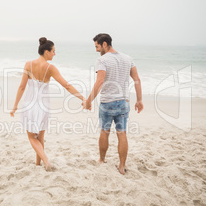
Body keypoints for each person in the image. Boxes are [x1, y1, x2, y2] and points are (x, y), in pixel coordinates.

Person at [10, 37, 86, 171]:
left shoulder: (28, 64)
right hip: (43, 105)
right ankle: (38, 164)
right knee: (40, 137)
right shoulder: (50, 68)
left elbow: (22, 87)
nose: (54, 54)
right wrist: (83, 99)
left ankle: (45, 161)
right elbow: (66, 85)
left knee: (32, 138)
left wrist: (15, 105)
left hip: (30, 104)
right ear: (46, 52)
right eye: (53, 51)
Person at [83, 33, 143, 175]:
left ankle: (102, 160)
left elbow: (100, 81)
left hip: (107, 103)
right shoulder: (128, 58)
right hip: (123, 102)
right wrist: (139, 100)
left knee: (104, 132)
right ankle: (122, 166)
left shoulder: (102, 60)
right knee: (122, 133)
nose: (96, 50)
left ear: (105, 44)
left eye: (97, 46)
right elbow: (137, 79)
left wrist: (88, 101)